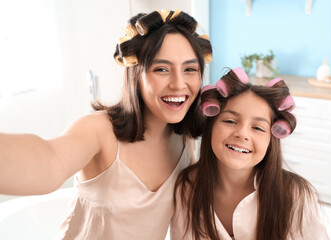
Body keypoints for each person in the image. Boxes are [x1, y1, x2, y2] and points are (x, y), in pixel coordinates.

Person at [0, 9, 212, 239]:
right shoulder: (100, 131)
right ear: (136, 74)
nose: (179, 84)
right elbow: (50, 163)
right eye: (161, 69)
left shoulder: (184, 138)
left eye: (190, 69)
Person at [171, 67, 330, 240]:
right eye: (230, 121)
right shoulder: (186, 188)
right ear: (211, 126)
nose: (243, 134)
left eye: (257, 128)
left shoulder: (296, 196)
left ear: (272, 139)